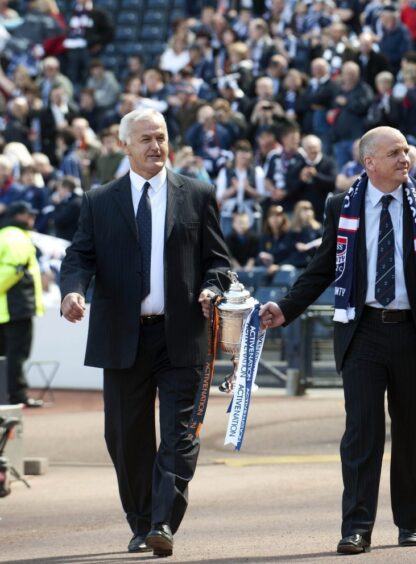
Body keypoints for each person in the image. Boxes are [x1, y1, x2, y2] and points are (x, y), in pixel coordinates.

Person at [259, 126, 416, 554]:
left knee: (413, 429)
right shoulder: (341, 205)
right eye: (395, 152)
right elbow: (323, 267)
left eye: (407, 149)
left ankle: (409, 522)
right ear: (370, 162)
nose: (405, 157)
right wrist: (286, 308)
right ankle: (356, 527)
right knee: (362, 432)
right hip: (362, 331)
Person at [59, 109, 231, 556]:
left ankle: (162, 523)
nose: (156, 146)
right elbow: (79, 257)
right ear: (125, 146)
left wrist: (213, 286)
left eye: (162, 137)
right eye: (146, 139)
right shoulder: (99, 200)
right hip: (122, 337)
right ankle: (140, 522)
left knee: (180, 435)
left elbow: (219, 261)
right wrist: (73, 292)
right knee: (124, 436)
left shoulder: (196, 193)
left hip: (182, 337)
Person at [0, 201, 44, 408]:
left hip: (6, 309)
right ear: (19, 216)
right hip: (15, 307)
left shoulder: (4, 234)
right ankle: (17, 395)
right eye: (29, 214)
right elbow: (14, 269)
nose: (32, 219)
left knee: (5, 355)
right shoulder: (16, 237)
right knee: (17, 354)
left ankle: (7, 395)